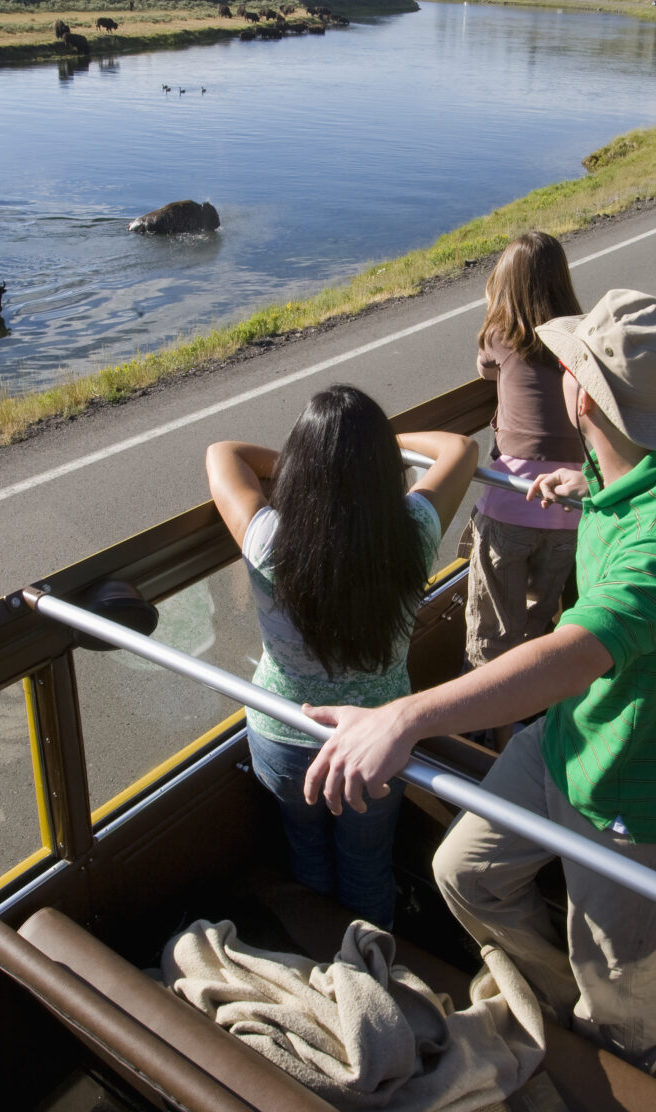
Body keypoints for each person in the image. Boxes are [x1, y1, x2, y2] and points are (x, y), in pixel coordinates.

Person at [300, 290, 656, 1074]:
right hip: (577, 736)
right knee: (463, 872)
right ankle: (564, 1004)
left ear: (582, 395)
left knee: (625, 999)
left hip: (641, 789)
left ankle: (634, 1071)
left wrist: (404, 717)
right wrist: (587, 490)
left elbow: (572, 653)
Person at [206, 387, 477, 928]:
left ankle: (327, 961)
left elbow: (222, 454)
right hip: (376, 743)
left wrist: (317, 467)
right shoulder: (413, 531)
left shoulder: (269, 541)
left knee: (305, 853)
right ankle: (374, 969)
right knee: (368, 865)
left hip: (282, 732)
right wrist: (375, 455)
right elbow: (461, 450)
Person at [467, 231, 584, 671]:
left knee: (492, 629)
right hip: (567, 505)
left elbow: (483, 370)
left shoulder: (500, 334)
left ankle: (489, 731)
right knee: (541, 620)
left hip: (512, 498)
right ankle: (534, 703)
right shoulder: (579, 338)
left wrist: (492, 303)